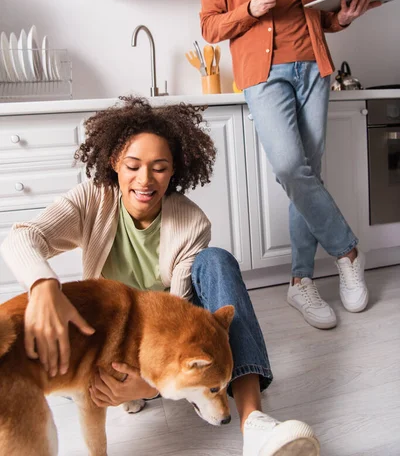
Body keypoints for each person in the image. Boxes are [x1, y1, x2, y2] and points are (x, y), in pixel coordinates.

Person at [1, 96, 321, 456]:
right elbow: (22, 237)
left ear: (174, 172)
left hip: (167, 337)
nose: (145, 180)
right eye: (133, 165)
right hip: (117, 340)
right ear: (114, 163)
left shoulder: (191, 222)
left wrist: (148, 387)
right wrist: (44, 286)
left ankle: (255, 421)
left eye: (159, 167)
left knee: (216, 260)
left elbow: (181, 319)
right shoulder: (92, 200)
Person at [201, 0, 380, 333]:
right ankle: (347, 250)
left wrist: (342, 19)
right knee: (288, 167)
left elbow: (317, 14)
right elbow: (210, 25)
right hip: (264, 74)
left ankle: (301, 282)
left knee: (306, 174)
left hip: (313, 69)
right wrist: (249, 8)